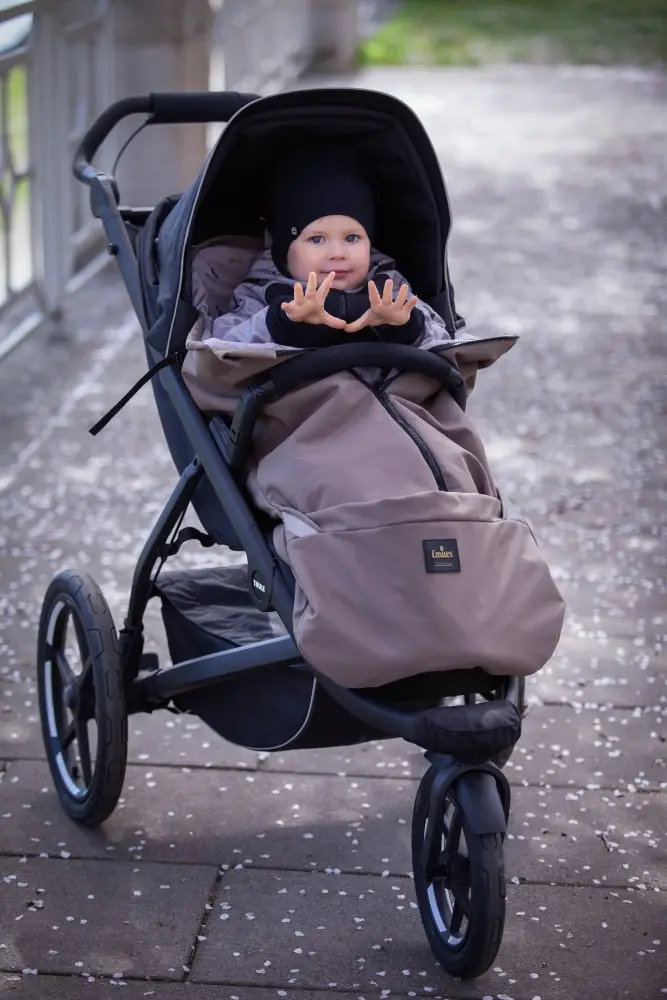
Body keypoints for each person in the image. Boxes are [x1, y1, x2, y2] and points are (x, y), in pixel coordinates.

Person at [190, 143, 453, 352]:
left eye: (352, 238)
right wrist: (280, 324)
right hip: (292, 400)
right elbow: (218, 348)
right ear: (283, 249)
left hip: (385, 397)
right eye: (317, 239)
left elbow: (445, 342)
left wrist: (405, 326)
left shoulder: (388, 288)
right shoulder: (261, 293)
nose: (338, 253)